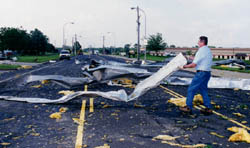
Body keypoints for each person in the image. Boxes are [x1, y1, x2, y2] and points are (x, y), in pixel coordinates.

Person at [180, 36, 213, 115]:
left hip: (201, 73)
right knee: (203, 90)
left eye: (199, 41)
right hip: (207, 73)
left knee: (191, 89)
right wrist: (189, 57)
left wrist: (184, 66)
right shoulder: (207, 50)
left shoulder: (201, 51)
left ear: (202, 42)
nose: (198, 43)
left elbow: (193, 65)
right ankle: (208, 108)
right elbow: (199, 59)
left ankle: (188, 107)